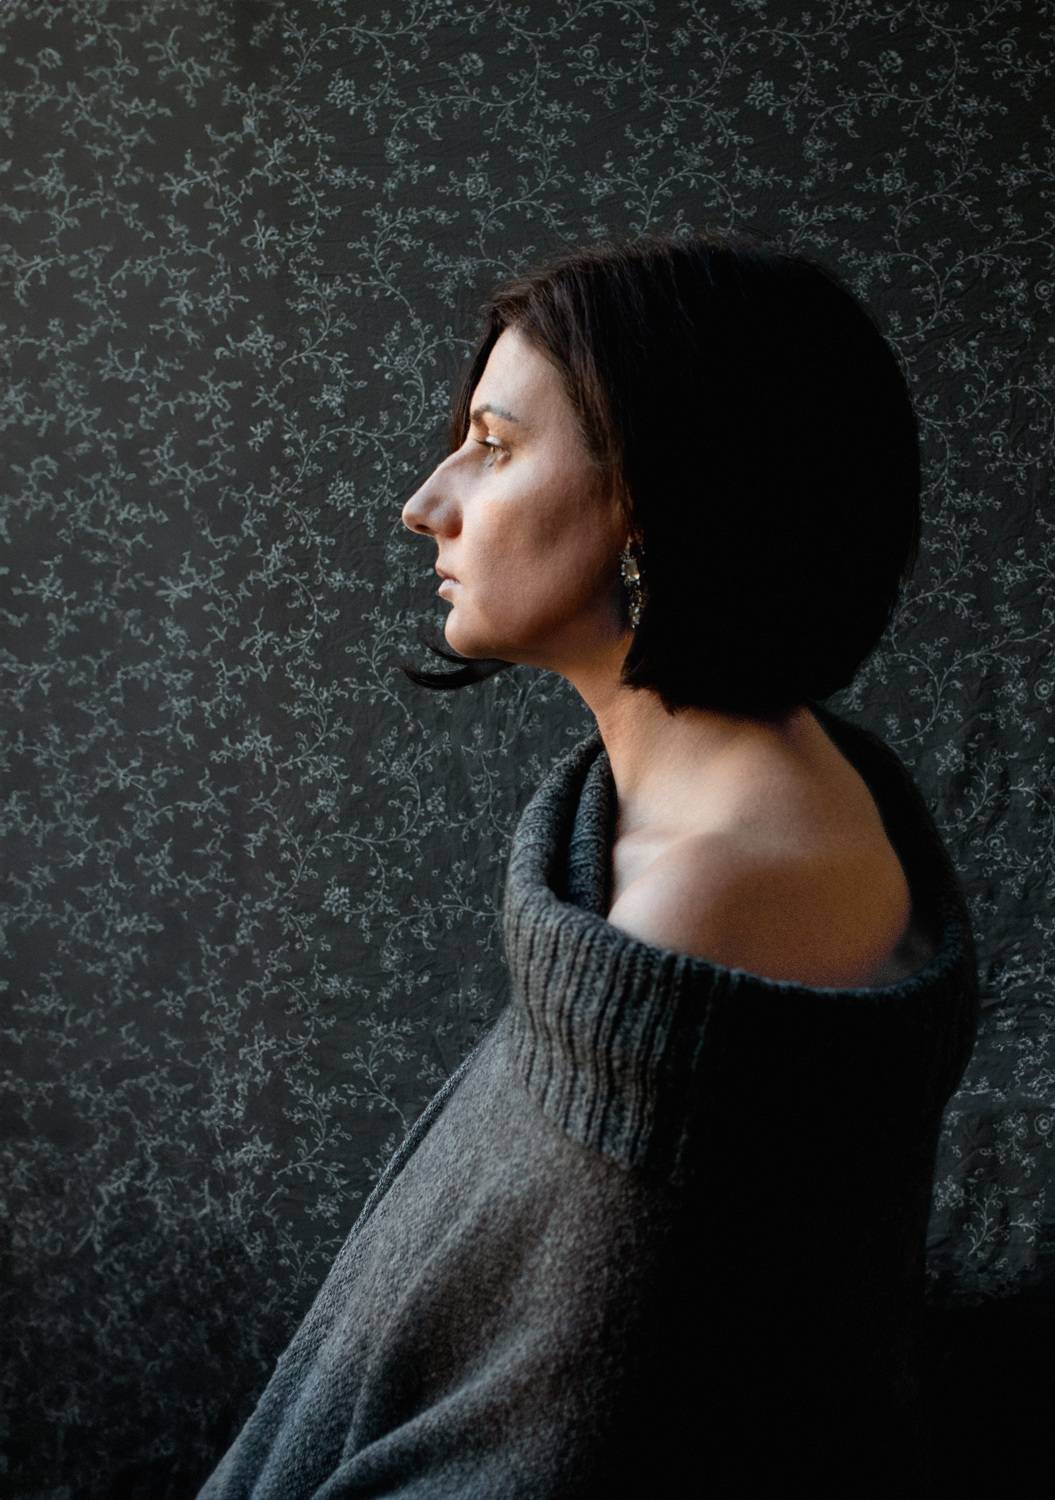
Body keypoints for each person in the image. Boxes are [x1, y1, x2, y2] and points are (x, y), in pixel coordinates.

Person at [195, 227, 980, 1497]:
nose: (427, 502)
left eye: (494, 446)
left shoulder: (718, 892)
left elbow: (564, 1439)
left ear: (653, 496)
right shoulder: (697, 815)